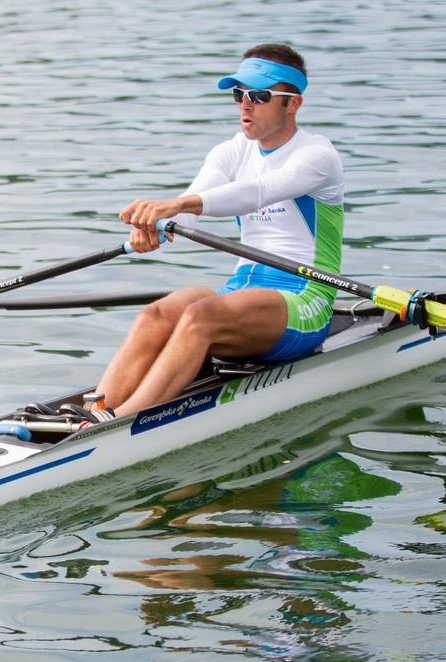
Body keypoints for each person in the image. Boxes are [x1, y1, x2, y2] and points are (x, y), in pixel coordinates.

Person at [94, 43, 345, 419]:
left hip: (304, 297)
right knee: (156, 315)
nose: (246, 105)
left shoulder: (317, 155)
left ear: (292, 103)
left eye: (260, 96)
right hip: (243, 289)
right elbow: (195, 205)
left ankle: (118, 425)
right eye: (239, 94)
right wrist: (155, 230)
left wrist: (176, 206)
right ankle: (94, 410)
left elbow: (257, 193)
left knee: (202, 316)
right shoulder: (231, 151)